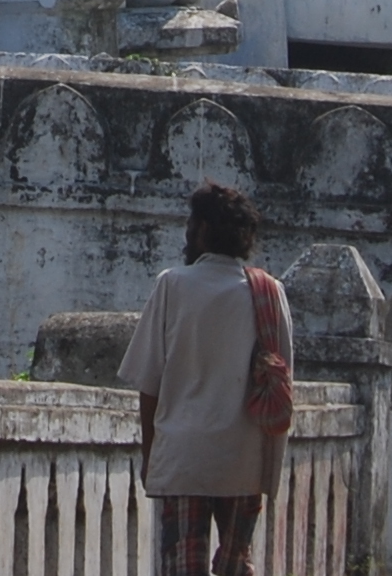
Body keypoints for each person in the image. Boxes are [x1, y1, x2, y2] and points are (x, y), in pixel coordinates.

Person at [122, 181, 287, 576]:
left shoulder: (172, 285)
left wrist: (151, 459)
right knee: (235, 567)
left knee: (183, 567)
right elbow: (282, 387)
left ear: (202, 231)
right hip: (243, 460)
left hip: (183, 458)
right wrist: (269, 471)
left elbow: (149, 385)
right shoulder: (268, 292)